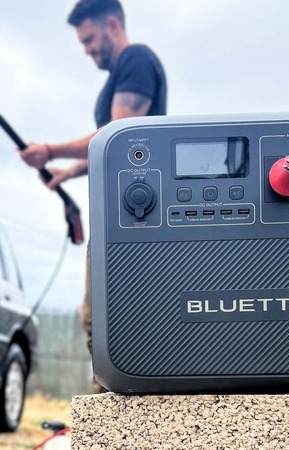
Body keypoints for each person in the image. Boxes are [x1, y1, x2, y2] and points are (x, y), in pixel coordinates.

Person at [19, 0, 167, 392]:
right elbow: (109, 150)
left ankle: (110, 410)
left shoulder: (136, 59)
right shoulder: (122, 73)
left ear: (112, 25)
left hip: (128, 217)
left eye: (88, 39)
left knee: (104, 320)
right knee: (100, 320)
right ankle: (108, 406)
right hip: (120, 214)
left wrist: (49, 151)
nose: (86, 50)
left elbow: (115, 136)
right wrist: (67, 172)